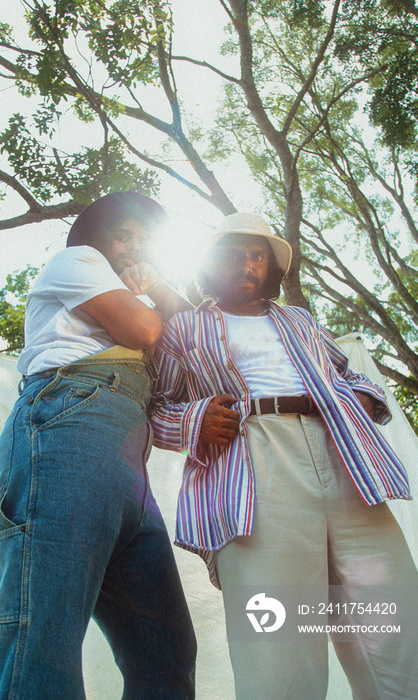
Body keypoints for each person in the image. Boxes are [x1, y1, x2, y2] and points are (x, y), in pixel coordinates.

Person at [149, 211, 418, 699]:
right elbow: (155, 408)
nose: (248, 265)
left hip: (346, 456)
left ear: (270, 267)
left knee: (393, 622)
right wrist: (196, 420)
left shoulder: (299, 320)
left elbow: (351, 375)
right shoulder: (183, 328)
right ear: (211, 263)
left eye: (258, 256)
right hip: (253, 461)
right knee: (278, 636)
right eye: (234, 254)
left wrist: (357, 398)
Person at [0, 191, 196, 700]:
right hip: (67, 424)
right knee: (42, 636)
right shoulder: (77, 261)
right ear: (97, 240)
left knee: (166, 653)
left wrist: (157, 280)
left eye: (144, 242)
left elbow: (190, 326)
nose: (134, 249)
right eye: (125, 236)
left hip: (125, 456)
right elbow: (142, 328)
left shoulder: (142, 288)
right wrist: (149, 291)